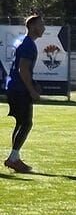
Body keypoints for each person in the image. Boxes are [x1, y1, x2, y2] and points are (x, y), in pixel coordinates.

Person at [5, 14, 46, 173]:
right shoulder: (29, 44)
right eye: (41, 25)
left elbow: (20, 68)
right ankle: (13, 158)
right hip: (19, 89)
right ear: (33, 26)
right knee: (26, 123)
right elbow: (23, 69)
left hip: (13, 87)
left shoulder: (22, 41)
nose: (43, 28)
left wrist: (33, 83)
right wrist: (32, 90)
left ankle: (14, 157)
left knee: (21, 122)